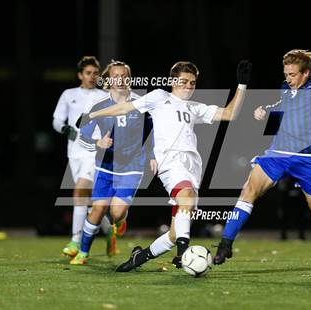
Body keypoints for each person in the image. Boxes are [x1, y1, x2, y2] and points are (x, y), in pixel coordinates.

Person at [214, 12, 311, 276]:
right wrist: (266, 111)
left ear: (307, 73)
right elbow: (285, 107)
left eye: (293, 74)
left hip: (308, 159)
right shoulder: (285, 87)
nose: (288, 78)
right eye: (286, 74)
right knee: (249, 189)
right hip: (278, 154)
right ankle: (225, 244)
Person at [77, 60, 252, 271]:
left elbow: (230, 114)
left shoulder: (195, 108)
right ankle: (183, 253)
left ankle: (139, 257)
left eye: (193, 82)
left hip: (192, 167)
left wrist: (242, 85)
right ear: (172, 81)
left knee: (174, 232)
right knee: (185, 197)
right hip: (171, 163)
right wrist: (92, 115)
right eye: (184, 81)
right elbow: (124, 107)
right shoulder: (160, 97)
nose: (189, 86)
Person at [70, 60, 157, 264]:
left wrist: (153, 155)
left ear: (129, 79)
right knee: (98, 210)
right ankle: (83, 252)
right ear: (108, 80)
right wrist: (98, 142)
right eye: (115, 76)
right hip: (105, 166)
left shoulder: (141, 105)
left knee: (116, 212)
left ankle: (121, 219)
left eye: (124, 76)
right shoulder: (99, 107)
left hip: (131, 167)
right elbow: (82, 136)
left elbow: (155, 133)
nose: (120, 80)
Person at [52, 56, 111, 258]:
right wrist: (65, 129)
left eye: (95, 73)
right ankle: (109, 230)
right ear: (80, 75)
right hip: (74, 152)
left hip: (95, 151)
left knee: (79, 193)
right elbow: (57, 120)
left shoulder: (104, 96)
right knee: (91, 200)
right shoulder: (69, 94)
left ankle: (75, 241)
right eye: (88, 73)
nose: (92, 76)